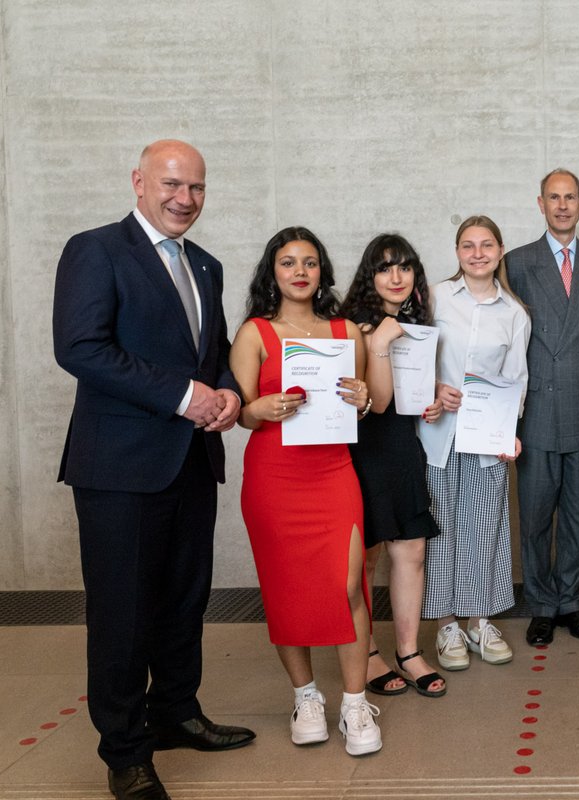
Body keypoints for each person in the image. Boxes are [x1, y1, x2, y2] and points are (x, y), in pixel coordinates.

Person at [52, 139, 255, 800]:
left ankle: (177, 712)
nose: (184, 199)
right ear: (139, 182)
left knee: (181, 602)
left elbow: (213, 351)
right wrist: (182, 395)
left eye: (196, 188)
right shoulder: (97, 250)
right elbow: (80, 347)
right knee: (122, 613)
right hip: (118, 469)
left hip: (192, 461)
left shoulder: (206, 265)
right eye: (171, 184)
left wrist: (227, 391)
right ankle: (126, 751)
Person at [230, 227, 381, 755]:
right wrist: (257, 410)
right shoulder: (254, 333)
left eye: (310, 262)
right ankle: (307, 697)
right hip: (275, 476)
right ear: (273, 270)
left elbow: (360, 404)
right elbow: (241, 412)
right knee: (286, 588)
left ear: (322, 272)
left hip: (333, 472)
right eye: (289, 262)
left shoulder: (346, 331)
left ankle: (357, 704)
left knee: (347, 585)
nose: (300, 271)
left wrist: (362, 398)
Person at [506, 169, 579, 647]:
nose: (563, 205)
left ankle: (570, 601)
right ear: (541, 203)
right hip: (537, 407)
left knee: (578, 511)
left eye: (571, 197)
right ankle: (542, 604)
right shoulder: (517, 262)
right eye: (555, 197)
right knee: (535, 513)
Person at [419, 216, 531, 669]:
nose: (478, 253)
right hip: (437, 436)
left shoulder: (514, 313)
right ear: (457, 251)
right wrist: (430, 389)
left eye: (487, 245)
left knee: (483, 531)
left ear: (501, 250)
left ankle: (478, 620)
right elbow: (411, 353)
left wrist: (509, 434)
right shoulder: (436, 297)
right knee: (440, 531)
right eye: (468, 245)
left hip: (486, 442)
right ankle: (446, 625)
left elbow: (516, 381)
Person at [339, 234, 447, 698]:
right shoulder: (351, 326)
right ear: (370, 276)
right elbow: (375, 402)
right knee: (364, 558)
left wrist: (434, 400)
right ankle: (364, 654)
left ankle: (408, 651)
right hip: (360, 451)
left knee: (412, 552)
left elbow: (409, 397)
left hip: (403, 447)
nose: (397, 277)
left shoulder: (414, 325)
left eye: (404, 267)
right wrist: (380, 340)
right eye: (385, 268)